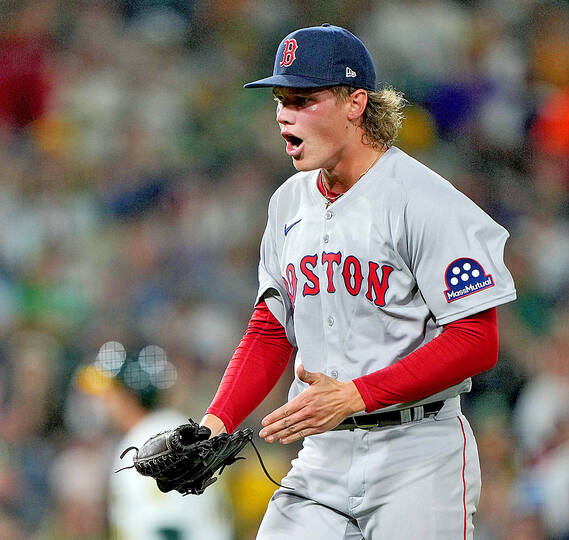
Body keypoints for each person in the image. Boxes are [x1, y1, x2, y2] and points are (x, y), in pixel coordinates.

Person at [200, 24, 516, 539]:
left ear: (356, 103)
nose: (283, 115)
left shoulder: (423, 200)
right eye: (281, 100)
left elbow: (476, 339)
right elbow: (271, 330)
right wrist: (214, 425)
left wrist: (357, 395)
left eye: (302, 100)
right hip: (322, 453)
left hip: (418, 454)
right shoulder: (288, 202)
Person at [76, 347, 232, 540]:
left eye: (110, 394)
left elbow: (168, 527)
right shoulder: (165, 429)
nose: (103, 404)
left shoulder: (152, 443)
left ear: (129, 397)